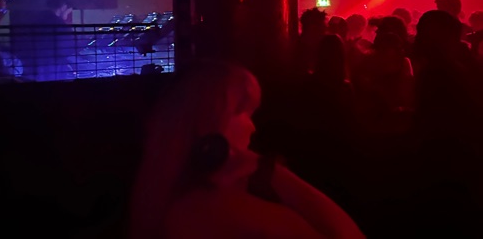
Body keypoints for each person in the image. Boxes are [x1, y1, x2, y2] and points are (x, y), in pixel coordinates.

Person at [130, 60, 364, 239]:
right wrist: (272, 171)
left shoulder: (169, 199)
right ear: (209, 119)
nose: (252, 127)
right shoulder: (205, 207)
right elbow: (347, 234)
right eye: (244, 112)